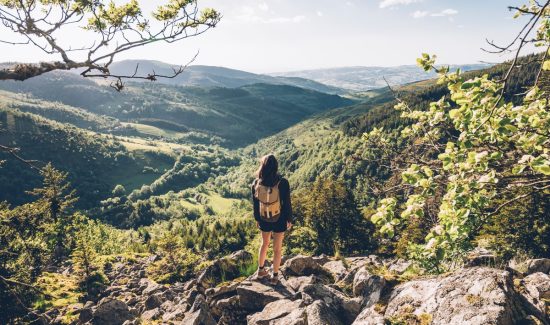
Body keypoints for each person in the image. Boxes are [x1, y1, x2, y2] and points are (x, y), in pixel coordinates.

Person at [252, 154, 292, 285]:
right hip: (279, 218)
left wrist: (257, 219)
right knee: (277, 249)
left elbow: (256, 204)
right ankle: (275, 277)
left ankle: (261, 270)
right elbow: (287, 203)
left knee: (264, 244)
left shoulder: (256, 183)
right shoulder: (283, 182)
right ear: (276, 167)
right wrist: (289, 219)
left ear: (262, 166)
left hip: (264, 218)